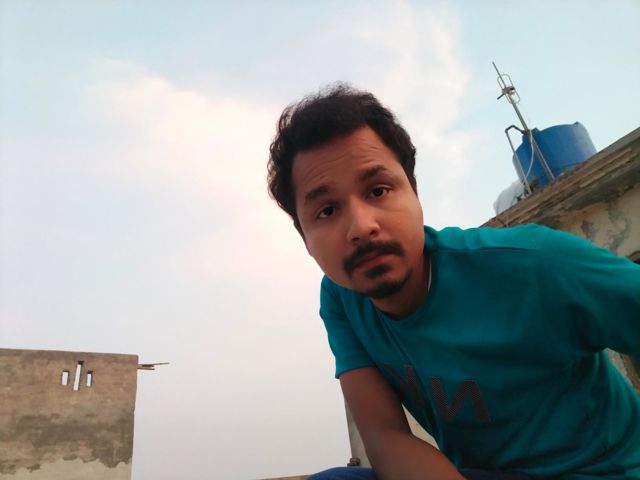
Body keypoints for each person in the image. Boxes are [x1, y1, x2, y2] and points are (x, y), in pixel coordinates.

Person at [266, 84, 640, 480]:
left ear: (414, 193)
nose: (361, 226)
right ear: (305, 239)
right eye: (326, 211)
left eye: (378, 190)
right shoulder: (343, 298)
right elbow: (384, 434)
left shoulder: (534, 264)